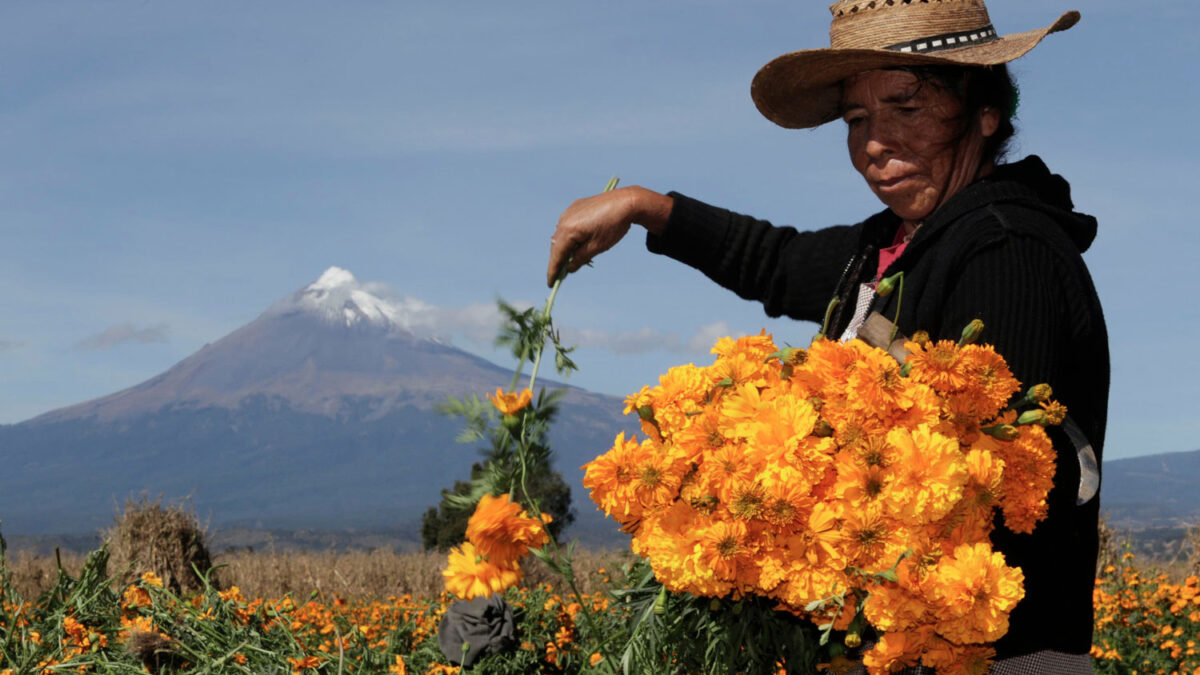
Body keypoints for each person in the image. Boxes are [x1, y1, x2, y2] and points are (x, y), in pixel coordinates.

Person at [547, 1, 1108, 674]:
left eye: (907, 107)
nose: (875, 143)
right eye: (857, 120)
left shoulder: (1005, 252)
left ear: (985, 113)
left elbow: (980, 488)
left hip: (990, 653)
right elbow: (775, 261)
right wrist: (646, 208)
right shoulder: (891, 246)